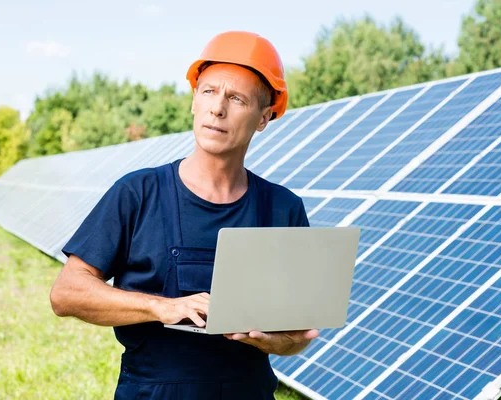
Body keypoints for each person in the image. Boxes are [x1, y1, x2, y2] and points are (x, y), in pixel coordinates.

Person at [49, 31, 319, 399]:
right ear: (194, 100)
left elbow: (297, 336)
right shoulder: (138, 193)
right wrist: (163, 307)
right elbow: (66, 293)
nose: (217, 108)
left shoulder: (284, 209)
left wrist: (275, 341)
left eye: (236, 98)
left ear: (264, 117)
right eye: (208, 91)